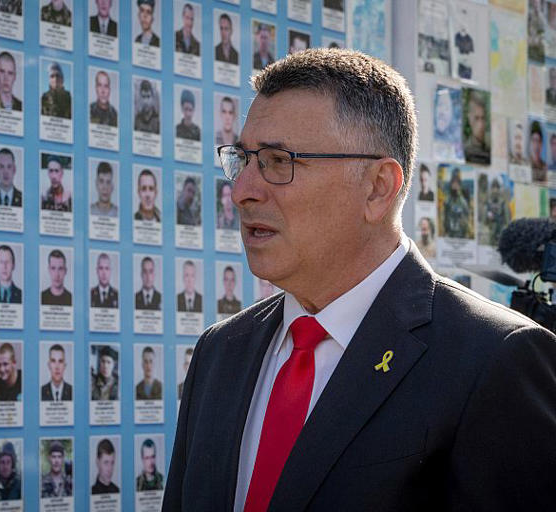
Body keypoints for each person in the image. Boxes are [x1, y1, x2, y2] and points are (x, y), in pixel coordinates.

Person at [165, 48, 556, 511]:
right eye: (243, 159)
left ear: (377, 188)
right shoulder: (220, 351)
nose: (243, 190)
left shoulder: (494, 359)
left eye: (277, 160)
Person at [463, 90, 490, 164]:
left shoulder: (490, 148)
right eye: (476, 118)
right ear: (469, 119)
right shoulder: (465, 150)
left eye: (483, 118)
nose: (481, 125)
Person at [443, 167, 471, 238]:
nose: (455, 185)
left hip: (461, 235)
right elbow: (444, 217)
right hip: (449, 235)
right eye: (453, 183)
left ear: (459, 185)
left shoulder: (463, 202)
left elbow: (467, 218)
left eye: (457, 183)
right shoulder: (447, 200)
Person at [482, 179, 511, 246]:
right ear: (491, 189)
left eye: (497, 188)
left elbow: (508, 221)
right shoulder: (488, 204)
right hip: (490, 234)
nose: (495, 190)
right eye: (493, 188)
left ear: (499, 190)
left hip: (501, 233)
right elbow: (484, 222)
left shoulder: (503, 204)